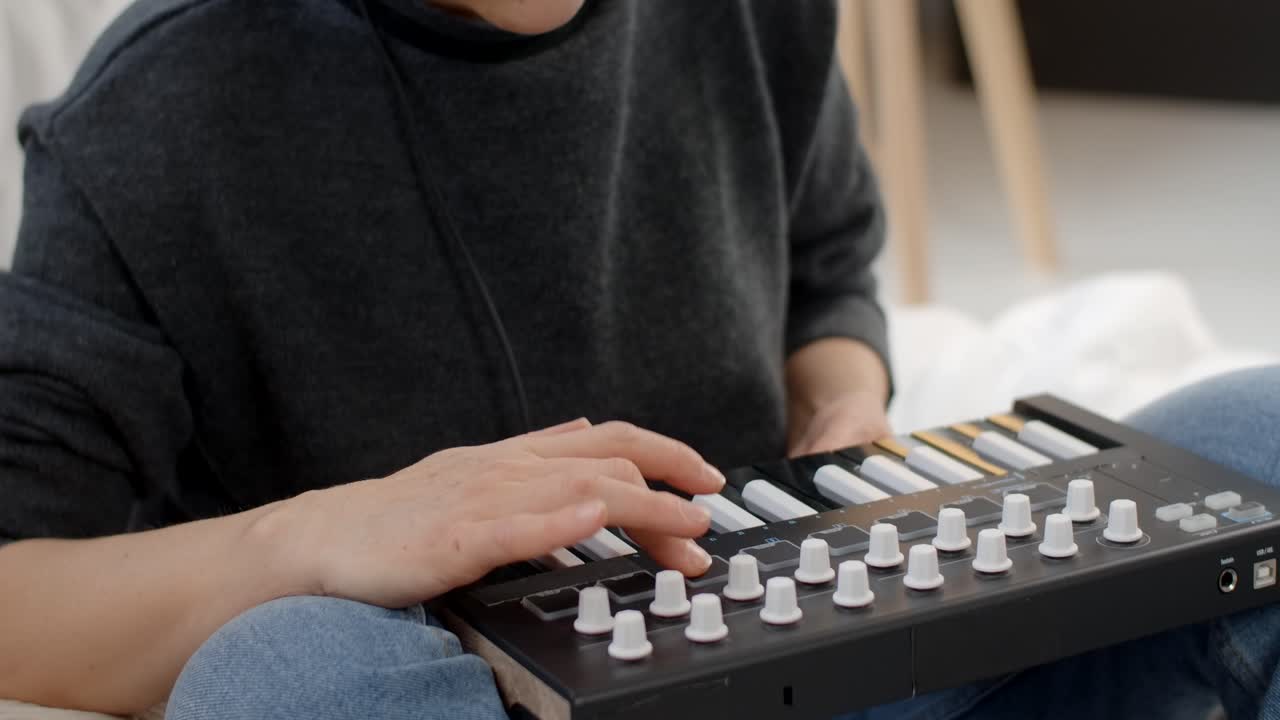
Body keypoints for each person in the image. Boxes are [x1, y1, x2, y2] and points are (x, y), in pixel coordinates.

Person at [0, 1, 1275, 719]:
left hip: (809, 650)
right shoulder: (156, 115)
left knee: (1254, 430)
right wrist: (325, 536)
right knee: (279, 677)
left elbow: (825, 263)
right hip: (473, 692)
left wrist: (845, 407)